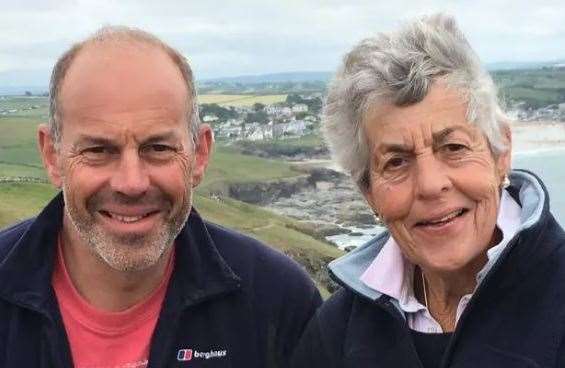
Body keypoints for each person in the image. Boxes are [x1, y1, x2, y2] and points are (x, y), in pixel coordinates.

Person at [0, 26, 321, 367]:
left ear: (200, 154)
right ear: (52, 156)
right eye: (98, 149)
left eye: (158, 148)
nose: (132, 183)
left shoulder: (279, 301)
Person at [292, 13, 565, 368]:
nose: (431, 185)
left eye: (453, 147)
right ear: (368, 192)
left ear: (501, 153)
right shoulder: (336, 335)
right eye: (396, 162)